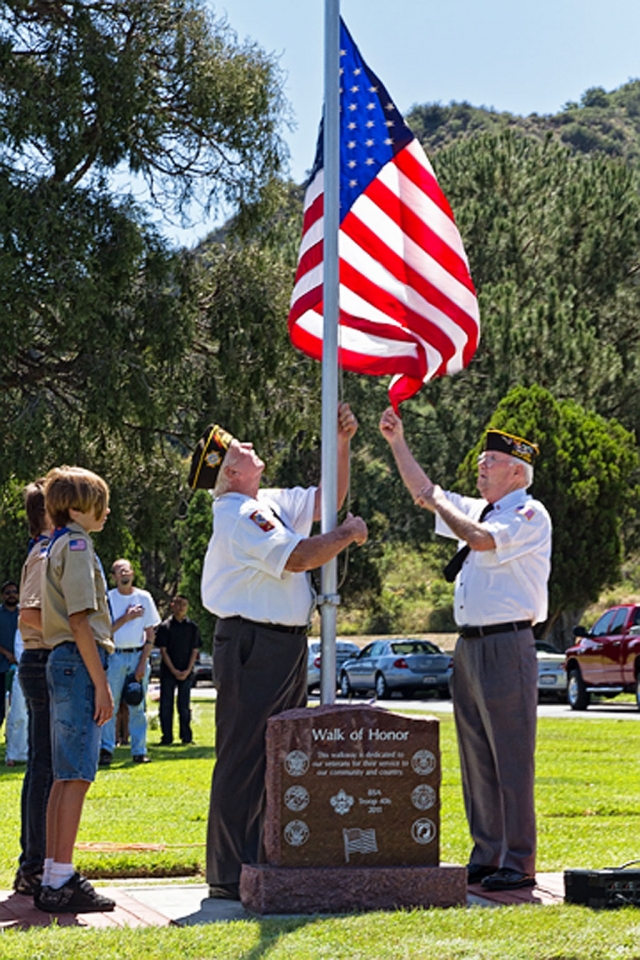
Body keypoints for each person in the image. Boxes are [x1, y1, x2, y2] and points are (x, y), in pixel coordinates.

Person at [192, 404, 368, 900]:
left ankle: (262, 856)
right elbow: (298, 557)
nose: (248, 446)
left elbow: (325, 501)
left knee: (279, 753)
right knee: (245, 755)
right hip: (253, 642)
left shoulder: (262, 500)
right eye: (237, 449)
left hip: (280, 642)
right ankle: (230, 872)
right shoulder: (240, 512)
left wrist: (341, 444)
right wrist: (349, 535)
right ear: (230, 472)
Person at [379, 408, 552, 892]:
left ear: (517, 471)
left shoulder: (527, 513)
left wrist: (441, 503)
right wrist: (398, 443)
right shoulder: (483, 510)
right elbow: (425, 493)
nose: (481, 466)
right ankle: (487, 853)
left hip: (506, 642)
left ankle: (518, 860)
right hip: (471, 646)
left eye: (491, 460)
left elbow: (477, 539)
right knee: (477, 755)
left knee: (511, 756)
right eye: (480, 459)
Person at [35, 465, 116, 914]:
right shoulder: (80, 546)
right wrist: (103, 686)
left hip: (62, 661)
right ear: (74, 509)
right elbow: (82, 619)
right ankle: (61, 877)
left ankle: (52, 872)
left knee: (65, 775)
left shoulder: (58, 544)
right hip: (80, 662)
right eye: (97, 502)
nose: (105, 510)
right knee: (78, 774)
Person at [13, 479, 54, 896]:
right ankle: (35, 866)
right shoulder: (45, 555)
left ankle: (35, 862)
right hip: (43, 660)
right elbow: (30, 615)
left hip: (41, 661)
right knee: (45, 769)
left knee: (43, 767)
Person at [99, 559, 160, 766]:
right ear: (114, 576)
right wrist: (125, 618)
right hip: (115, 656)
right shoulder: (108, 599)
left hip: (137, 656)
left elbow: (150, 633)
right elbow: (103, 632)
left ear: (133, 573)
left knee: (137, 705)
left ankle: (139, 750)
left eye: (126, 570)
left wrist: (143, 663)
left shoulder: (144, 597)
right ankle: (106, 749)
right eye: (119, 571)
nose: (123, 574)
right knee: (110, 704)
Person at [155, 595, 202, 746]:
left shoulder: (192, 627)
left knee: (184, 705)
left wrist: (188, 670)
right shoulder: (165, 627)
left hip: (186, 670)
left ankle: (186, 737)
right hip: (169, 671)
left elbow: (195, 650)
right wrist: (174, 670)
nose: (182, 608)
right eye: (179, 604)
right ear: (172, 605)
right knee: (166, 705)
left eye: (185, 605)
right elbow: (163, 650)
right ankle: (166, 737)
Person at [5, 627, 28, 766]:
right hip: (24, 670)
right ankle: (13, 754)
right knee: (18, 714)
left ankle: (32, 752)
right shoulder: (22, 625)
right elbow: (19, 649)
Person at [0, 580, 19, 730]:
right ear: (2, 596)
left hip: (22, 665)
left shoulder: (24, 614)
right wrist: (7, 654)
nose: (11, 595)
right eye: (8, 592)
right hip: (1, 666)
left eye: (14, 592)